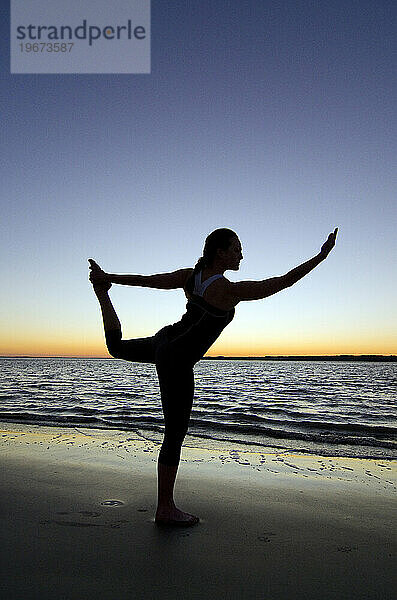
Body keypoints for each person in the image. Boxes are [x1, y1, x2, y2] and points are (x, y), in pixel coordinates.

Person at [88, 226, 338, 526]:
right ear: (220, 252)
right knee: (175, 433)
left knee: (116, 347)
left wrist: (108, 280)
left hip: (164, 342)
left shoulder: (190, 276)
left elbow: (147, 281)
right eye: (236, 249)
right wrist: (321, 256)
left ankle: (102, 295)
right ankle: (165, 508)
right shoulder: (228, 290)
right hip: (177, 358)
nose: (241, 255)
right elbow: (282, 282)